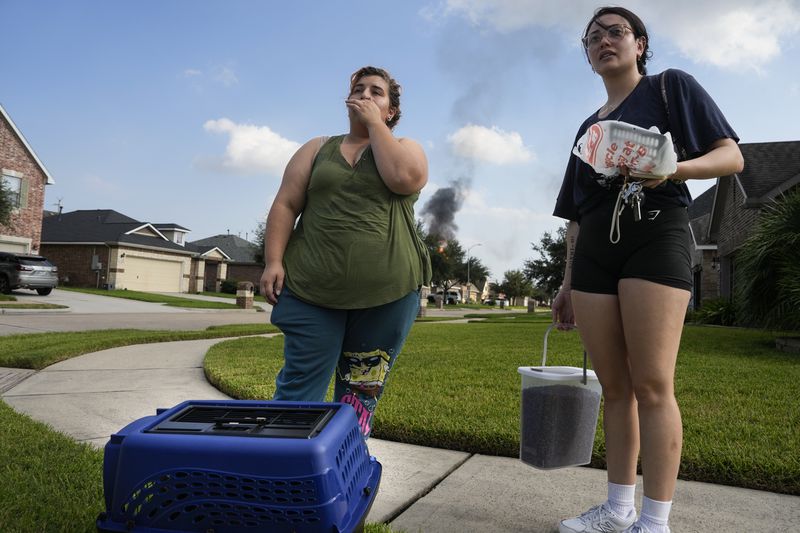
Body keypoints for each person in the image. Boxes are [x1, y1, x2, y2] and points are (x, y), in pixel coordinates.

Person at [552, 7, 743, 533]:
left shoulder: (668, 88)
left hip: (656, 235)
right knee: (614, 388)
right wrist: (568, 281)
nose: (603, 41)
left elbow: (731, 158)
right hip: (594, 250)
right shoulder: (588, 129)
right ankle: (617, 510)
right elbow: (573, 216)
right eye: (593, 38)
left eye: (616, 32)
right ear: (589, 57)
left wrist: (673, 168)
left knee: (653, 384)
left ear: (639, 44)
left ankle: (654, 521)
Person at [260, 66, 431, 439]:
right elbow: (286, 204)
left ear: (391, 111)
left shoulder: (405, 148)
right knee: (298, 385)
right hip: (311, 292)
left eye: (377, 92)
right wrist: (273, 260)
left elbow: (404, 178)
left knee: (359, 393)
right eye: (359, 89)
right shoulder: (317, 148)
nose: (366, 95)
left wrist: (375, 129)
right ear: (347, 100)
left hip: (387, 296)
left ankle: (341, 468)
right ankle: (280, 466)